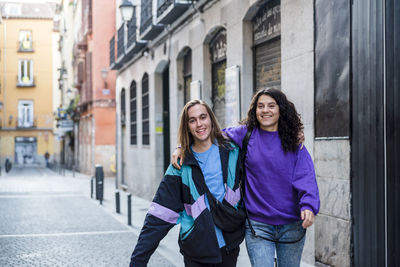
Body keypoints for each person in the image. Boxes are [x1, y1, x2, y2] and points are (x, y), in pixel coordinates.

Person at [172, 88, 320, 267]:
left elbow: (305, 175)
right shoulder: (245, 134)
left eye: (271, 105)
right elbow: (207, 135)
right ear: (254, 110)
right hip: (258, 225)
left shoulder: (293, 141)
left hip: (292, 224)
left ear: (281, 109)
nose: (265, 110)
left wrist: (309, 205)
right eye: (260, 106)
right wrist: (181, 146)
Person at [130, 100, 244, 267]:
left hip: (229, 245)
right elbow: (159, 215)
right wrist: (137, 261)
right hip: (196, 250)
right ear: (187, 126)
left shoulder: (232, 151)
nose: (199, 124)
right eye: (192, 120)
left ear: (211, 119)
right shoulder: (180, 166)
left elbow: (259, 130)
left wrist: (295, 133)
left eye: (203, 117)